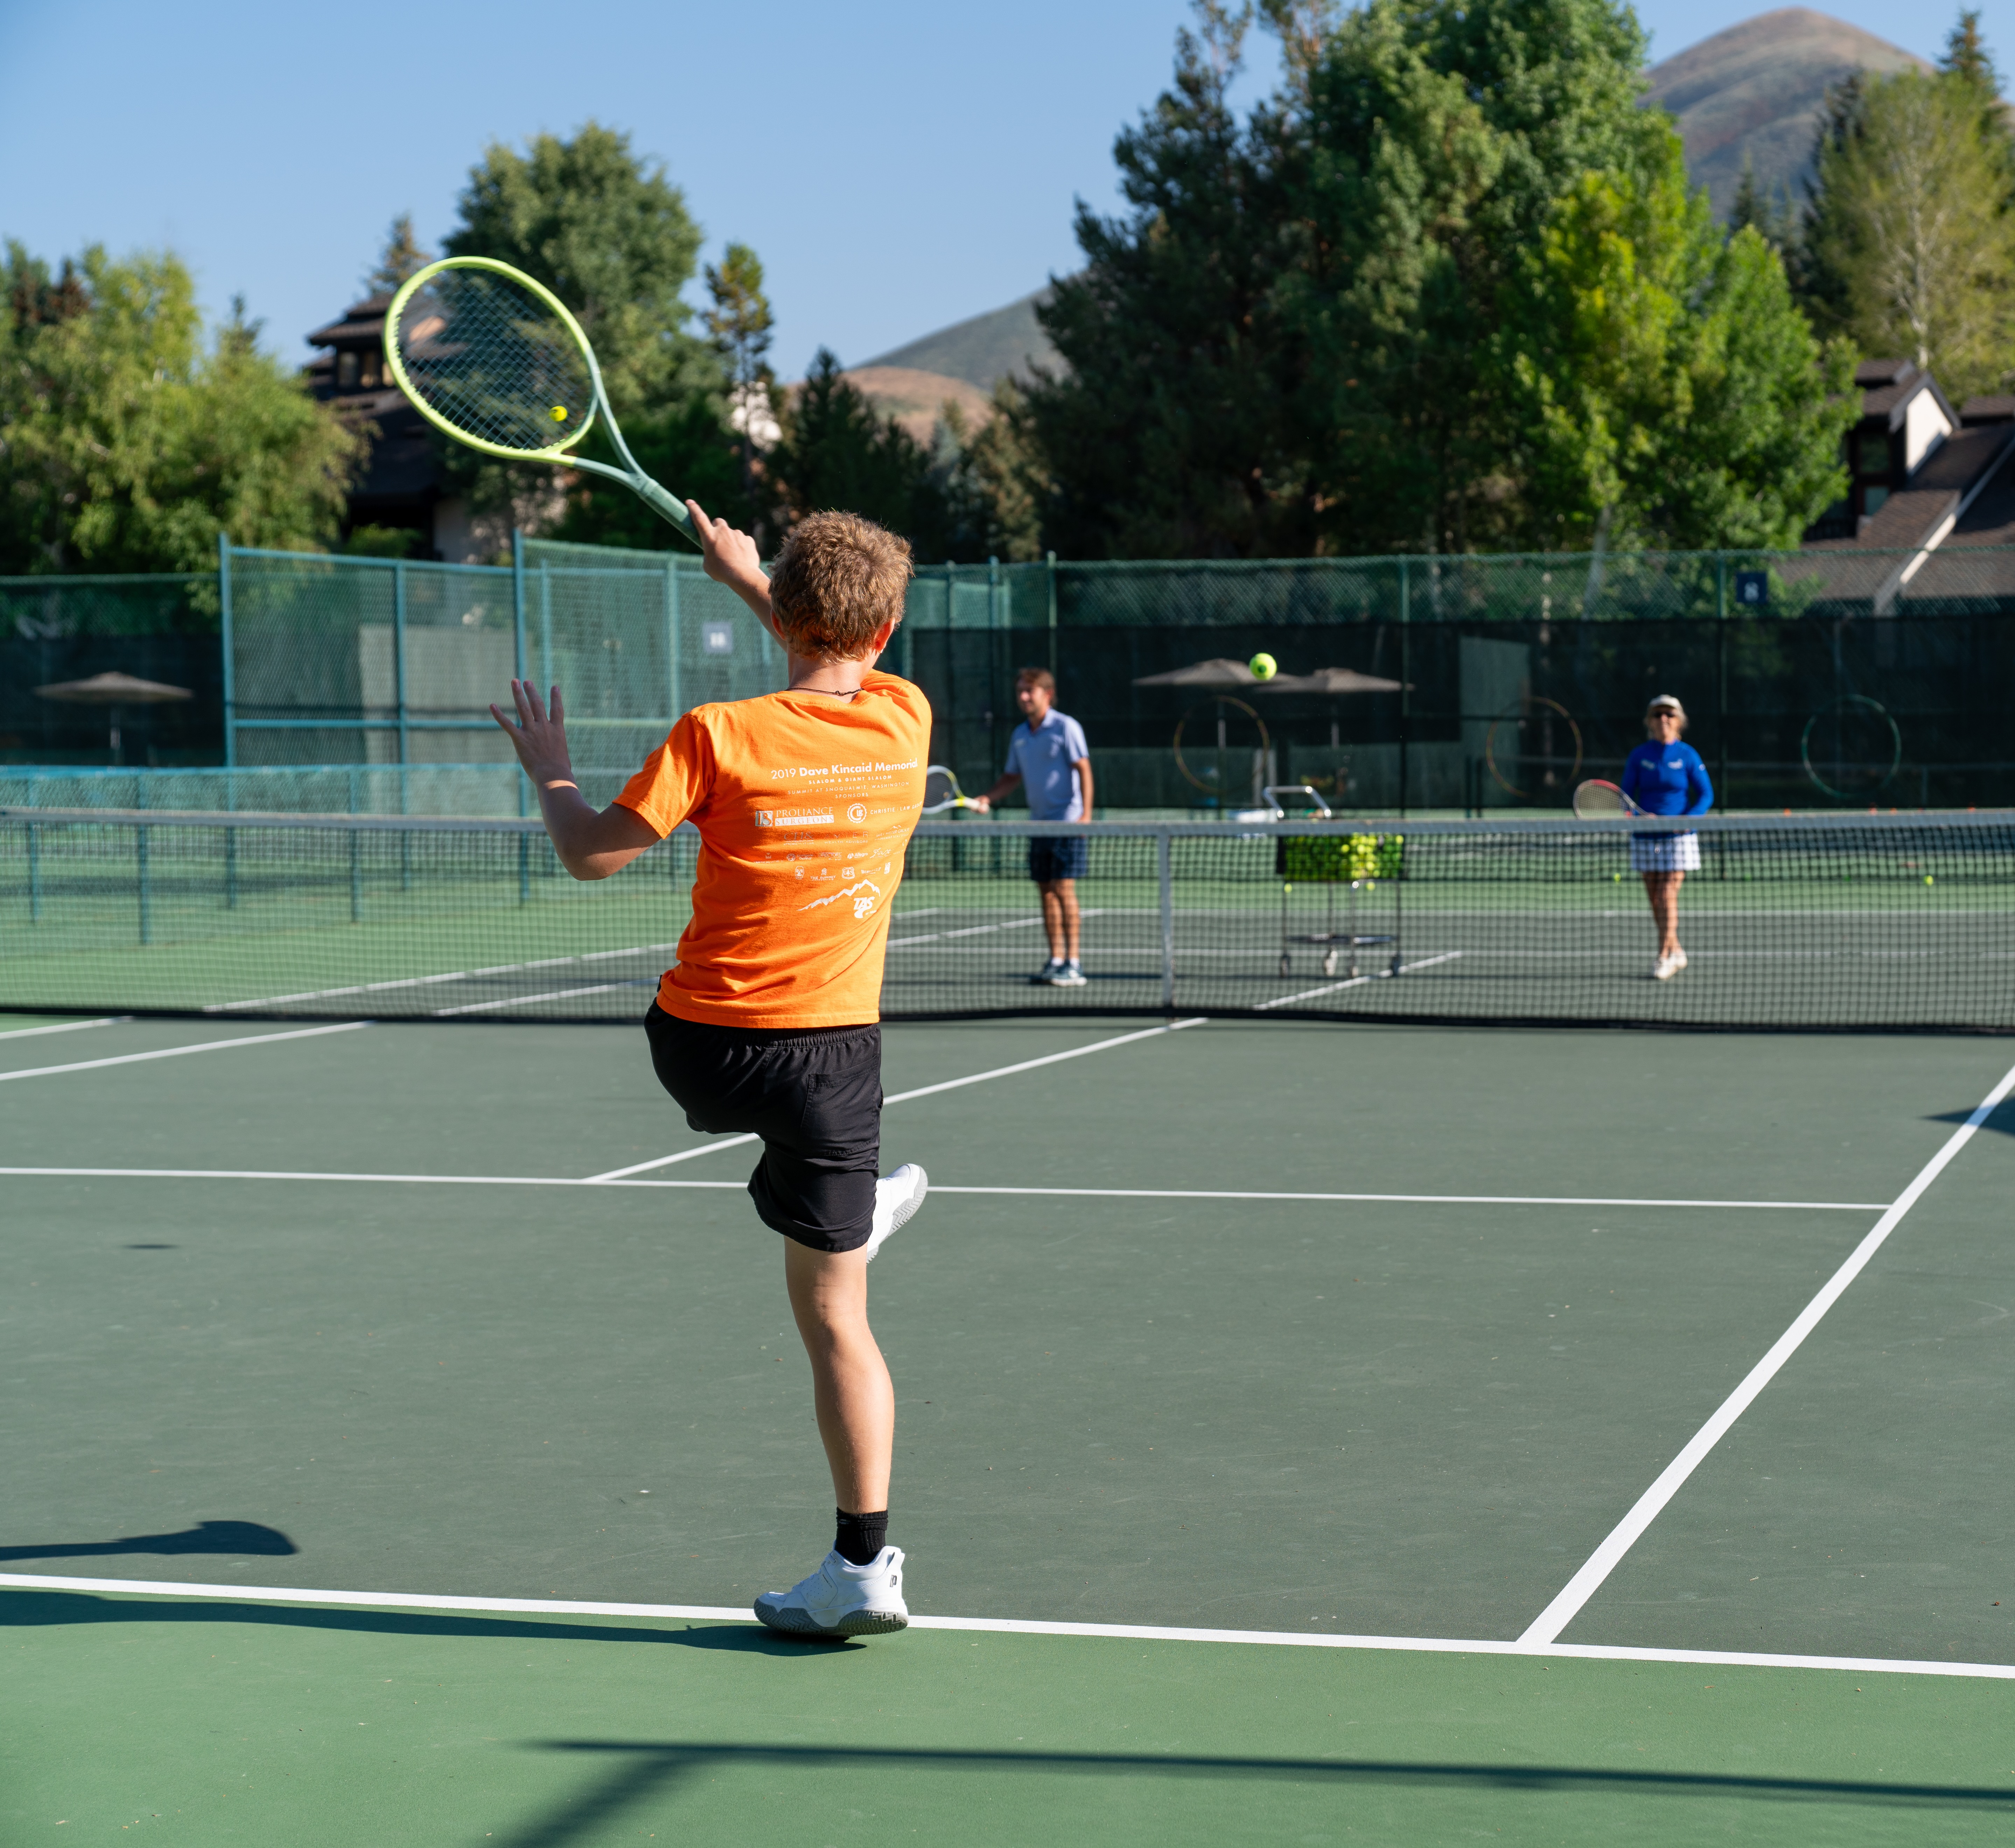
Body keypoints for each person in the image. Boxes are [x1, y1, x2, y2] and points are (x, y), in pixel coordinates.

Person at [488, 504, 931, 1641]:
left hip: (703, 1052)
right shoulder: (905, 718)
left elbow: (589, 855)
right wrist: (753, 582)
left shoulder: (716, 733)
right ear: (885, 632)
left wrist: (551, 772)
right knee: (838, 1315)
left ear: (784, 612)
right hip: (835, 1061)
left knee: (821, 1232)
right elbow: (836, 644)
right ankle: (862, 1564)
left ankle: (848, 1217)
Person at [972, 667, 1094, 985]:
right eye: (1020, 692)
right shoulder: (1021, 735)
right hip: (1039, 825)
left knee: (1063, 889)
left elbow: (1084, 769)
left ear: (1047, 694)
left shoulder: (1066, 727)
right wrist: (987, 797)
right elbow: (1011, 777)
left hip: (1067, 823)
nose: (1024, 697)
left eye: (1030, 691)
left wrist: (1085, 816)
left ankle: (1074, 962)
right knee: (1045, 892)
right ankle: (1055, 960)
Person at [1620, 693, 1714, 981]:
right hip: (1646, 837)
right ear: (1649, 721)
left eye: (1669, 714)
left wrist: (1686, 821)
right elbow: (1625, 797)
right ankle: (1676, 949)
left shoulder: (1687, 755)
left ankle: (1663, 955)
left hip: (1679, 839)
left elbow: (1706, 794)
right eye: (1658, 714)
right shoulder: (1639, 755)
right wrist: (1637, 818)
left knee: (1666, 893)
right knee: (1654, 897)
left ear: (1679, 721)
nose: (1664, 719)